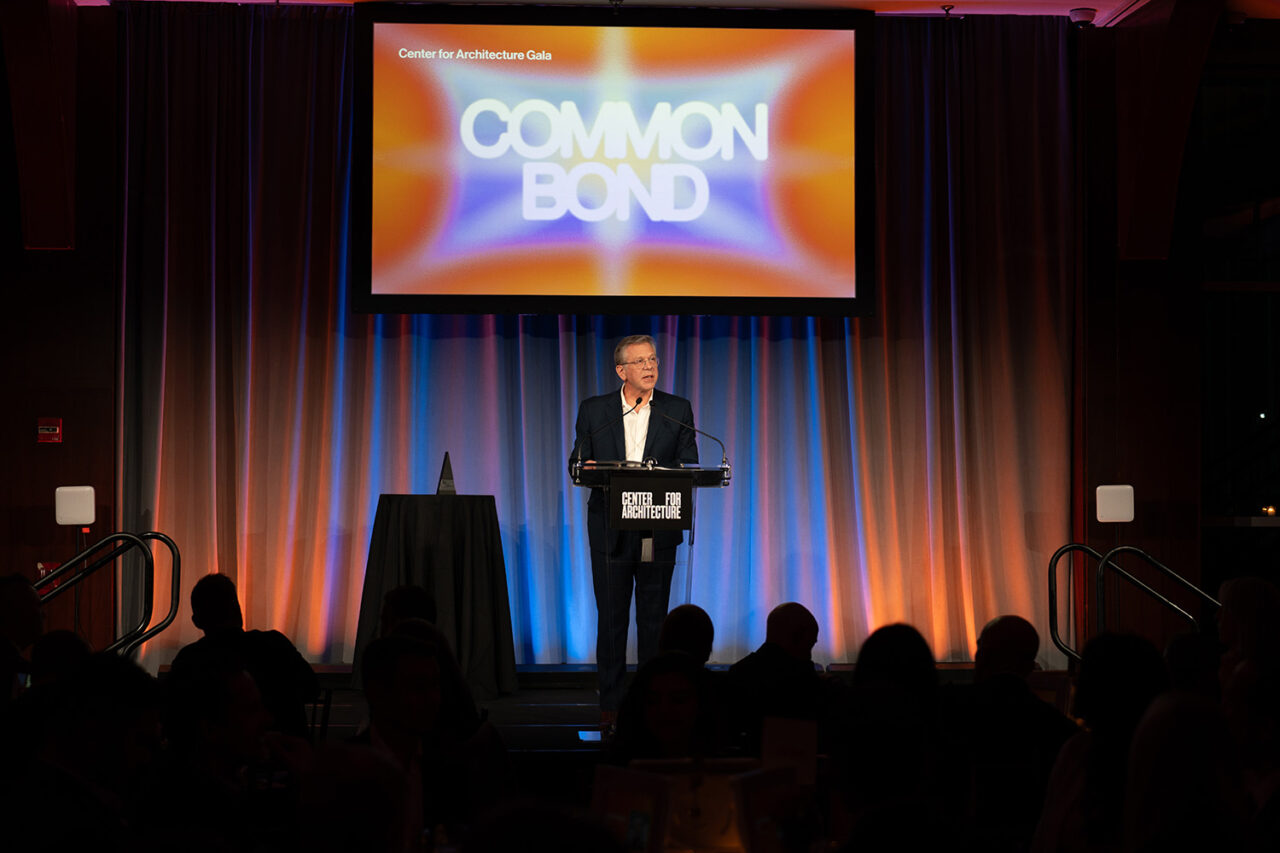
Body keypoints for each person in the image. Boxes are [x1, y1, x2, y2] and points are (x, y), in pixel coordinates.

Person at [569, 334, 699, 718]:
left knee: (653, 621)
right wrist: (590, 470)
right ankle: (610, 706)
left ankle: (651, 705)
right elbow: (578, 464)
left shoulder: (677, 409)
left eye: (653, 359)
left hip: (658, 527)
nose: (649, 367)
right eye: (640, 361)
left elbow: (689, 463)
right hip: (610, 530)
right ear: (621, 371)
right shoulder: (596, 410)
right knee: (611, 622)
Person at [168, 572, 320, 740]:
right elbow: (312, 689)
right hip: (285, 755)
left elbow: (174, 716)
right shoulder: (275, 644)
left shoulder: (189, 661)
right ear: (238, 610)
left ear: (197, 621)